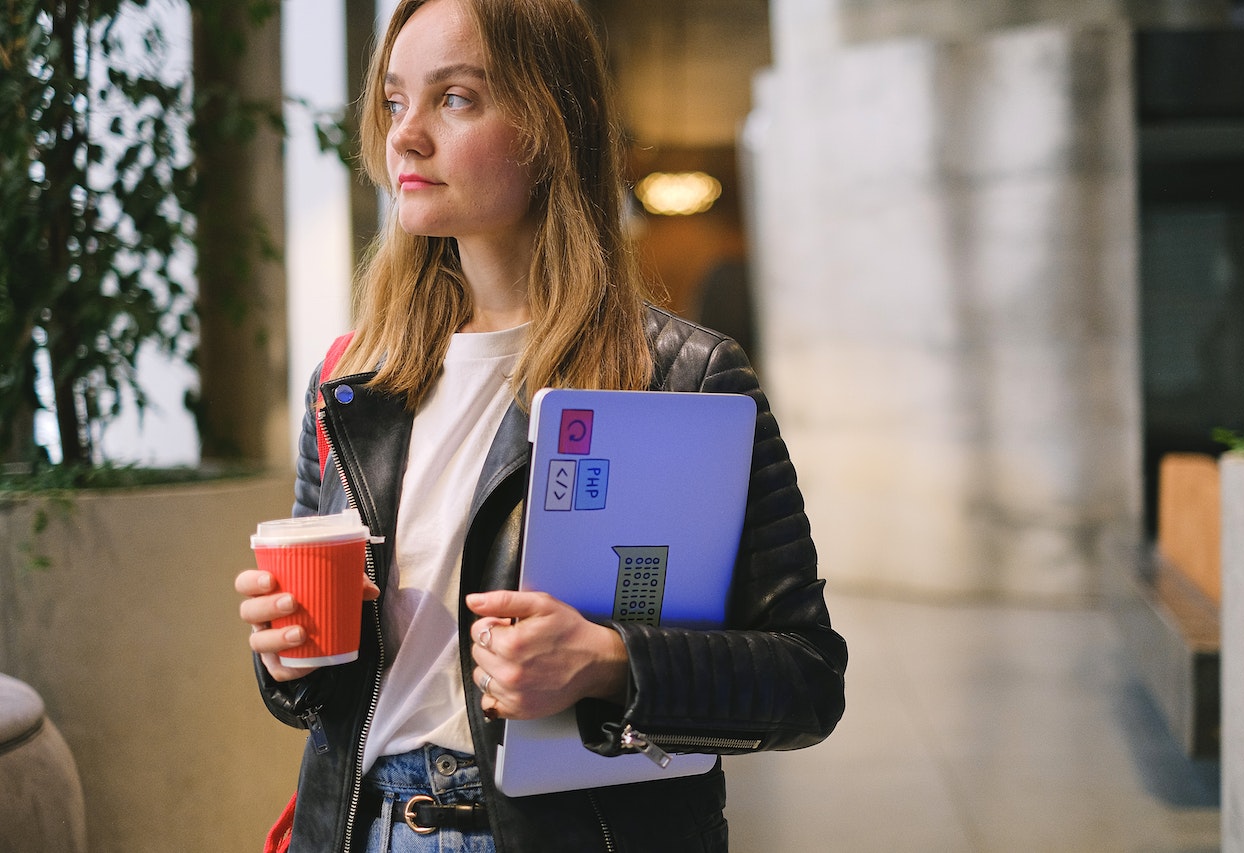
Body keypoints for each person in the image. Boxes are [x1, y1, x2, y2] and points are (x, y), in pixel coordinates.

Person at [234, 1, 847, 851]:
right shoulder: (351, 380)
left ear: (553, 124)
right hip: (368, 828)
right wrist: (288, 660)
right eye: (394, 101)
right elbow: (326, 697)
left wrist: (610, 661)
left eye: (455, 98)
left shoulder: (683, 378)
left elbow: (806, 678)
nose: (405, 137)